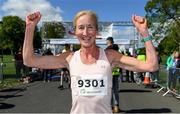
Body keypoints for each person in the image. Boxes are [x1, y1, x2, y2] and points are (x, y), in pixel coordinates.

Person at [23, 10, 158, 113]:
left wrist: (144, 33)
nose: (85, 33)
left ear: (97, 31)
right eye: (81, 27)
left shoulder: (110, 57)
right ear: (75, 32)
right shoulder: (69, 58)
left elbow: (151, 65)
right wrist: (29, 28)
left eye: (90, 27)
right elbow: (29, 60)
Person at [106, 37, 121, 113]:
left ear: (109, 42)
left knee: (109, 91)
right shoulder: (117, 51)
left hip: (109, 72)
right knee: (116, 90)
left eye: (106, 42)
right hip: (116, 72)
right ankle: (116, 107)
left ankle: (110, 107)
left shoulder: (107, 51)